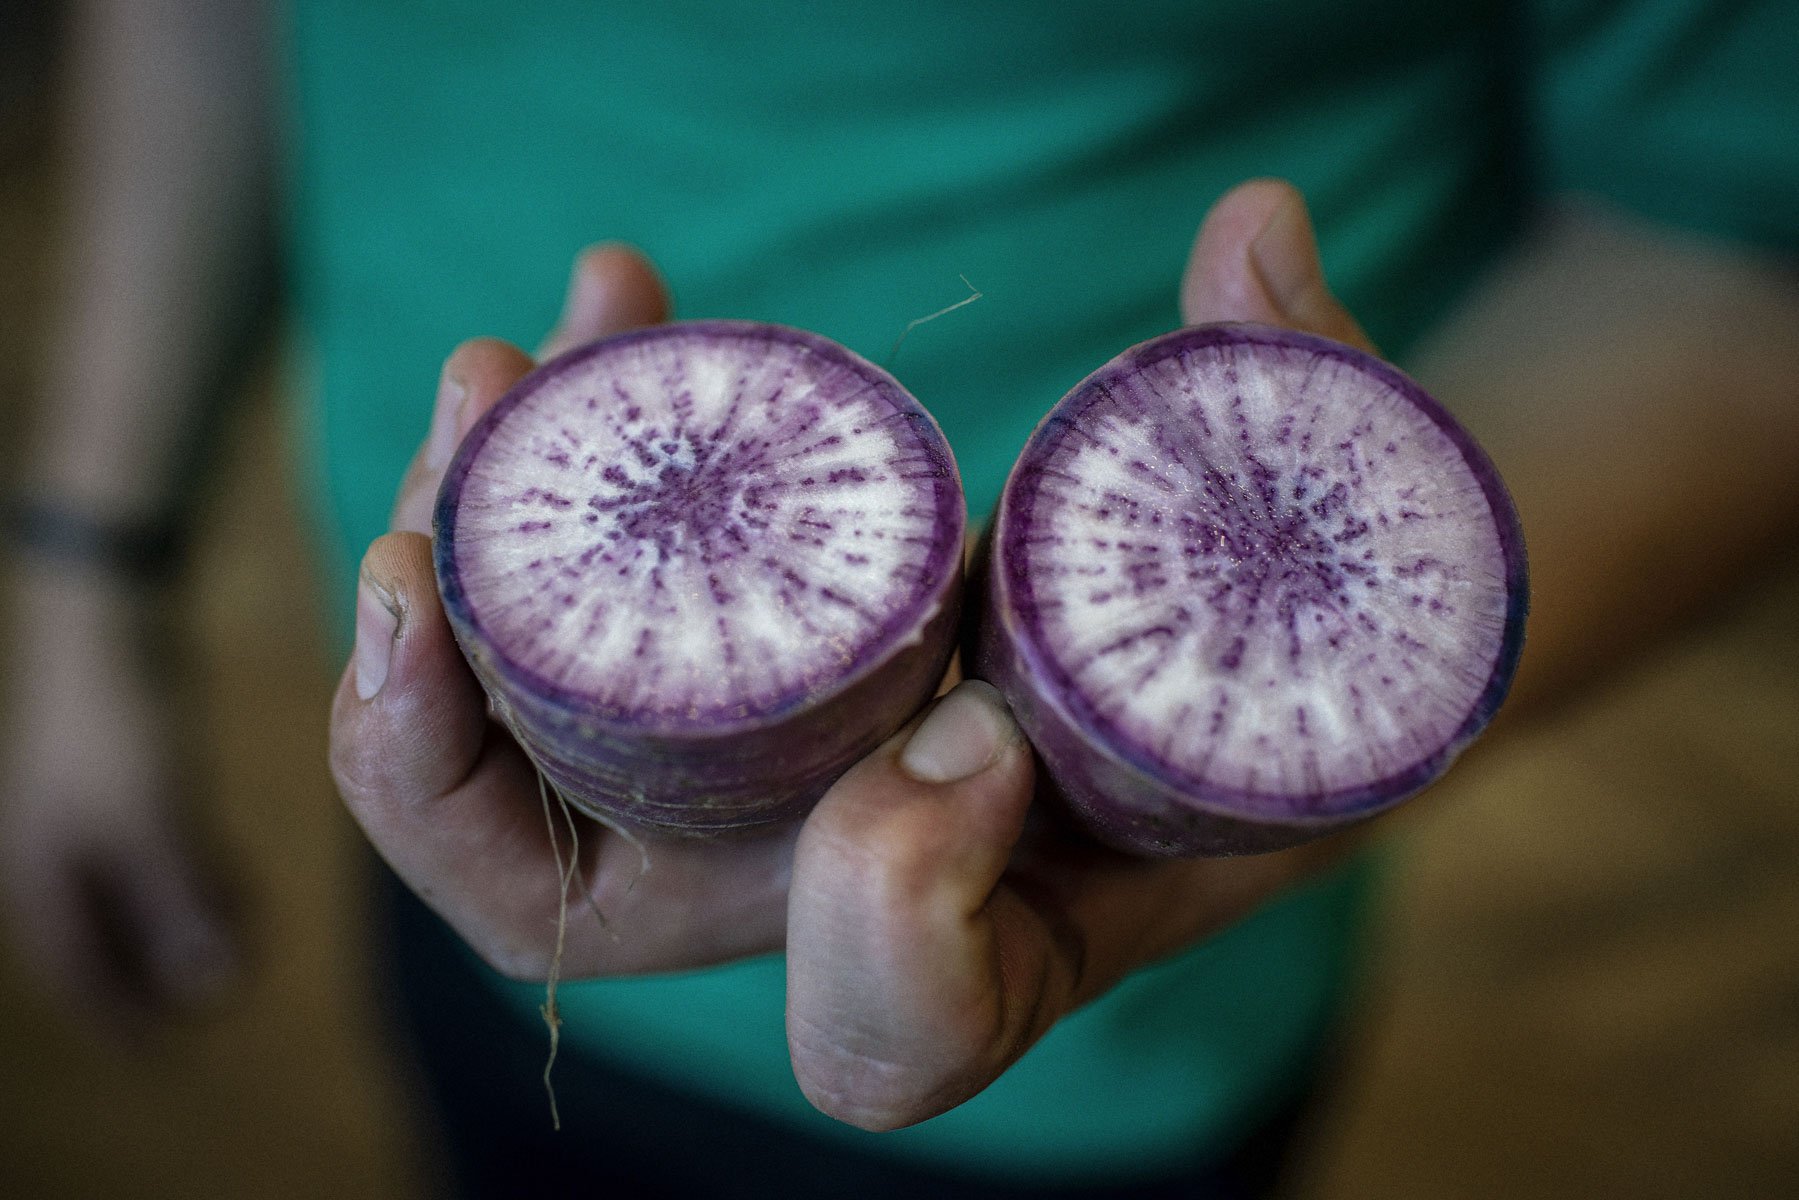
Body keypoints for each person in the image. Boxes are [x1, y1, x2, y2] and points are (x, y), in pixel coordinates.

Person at [5, 0, 1797, 1195]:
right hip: (473, 797)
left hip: (1107, 973)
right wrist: (89, 553)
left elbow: (1745, 237)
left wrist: (1193, 835)